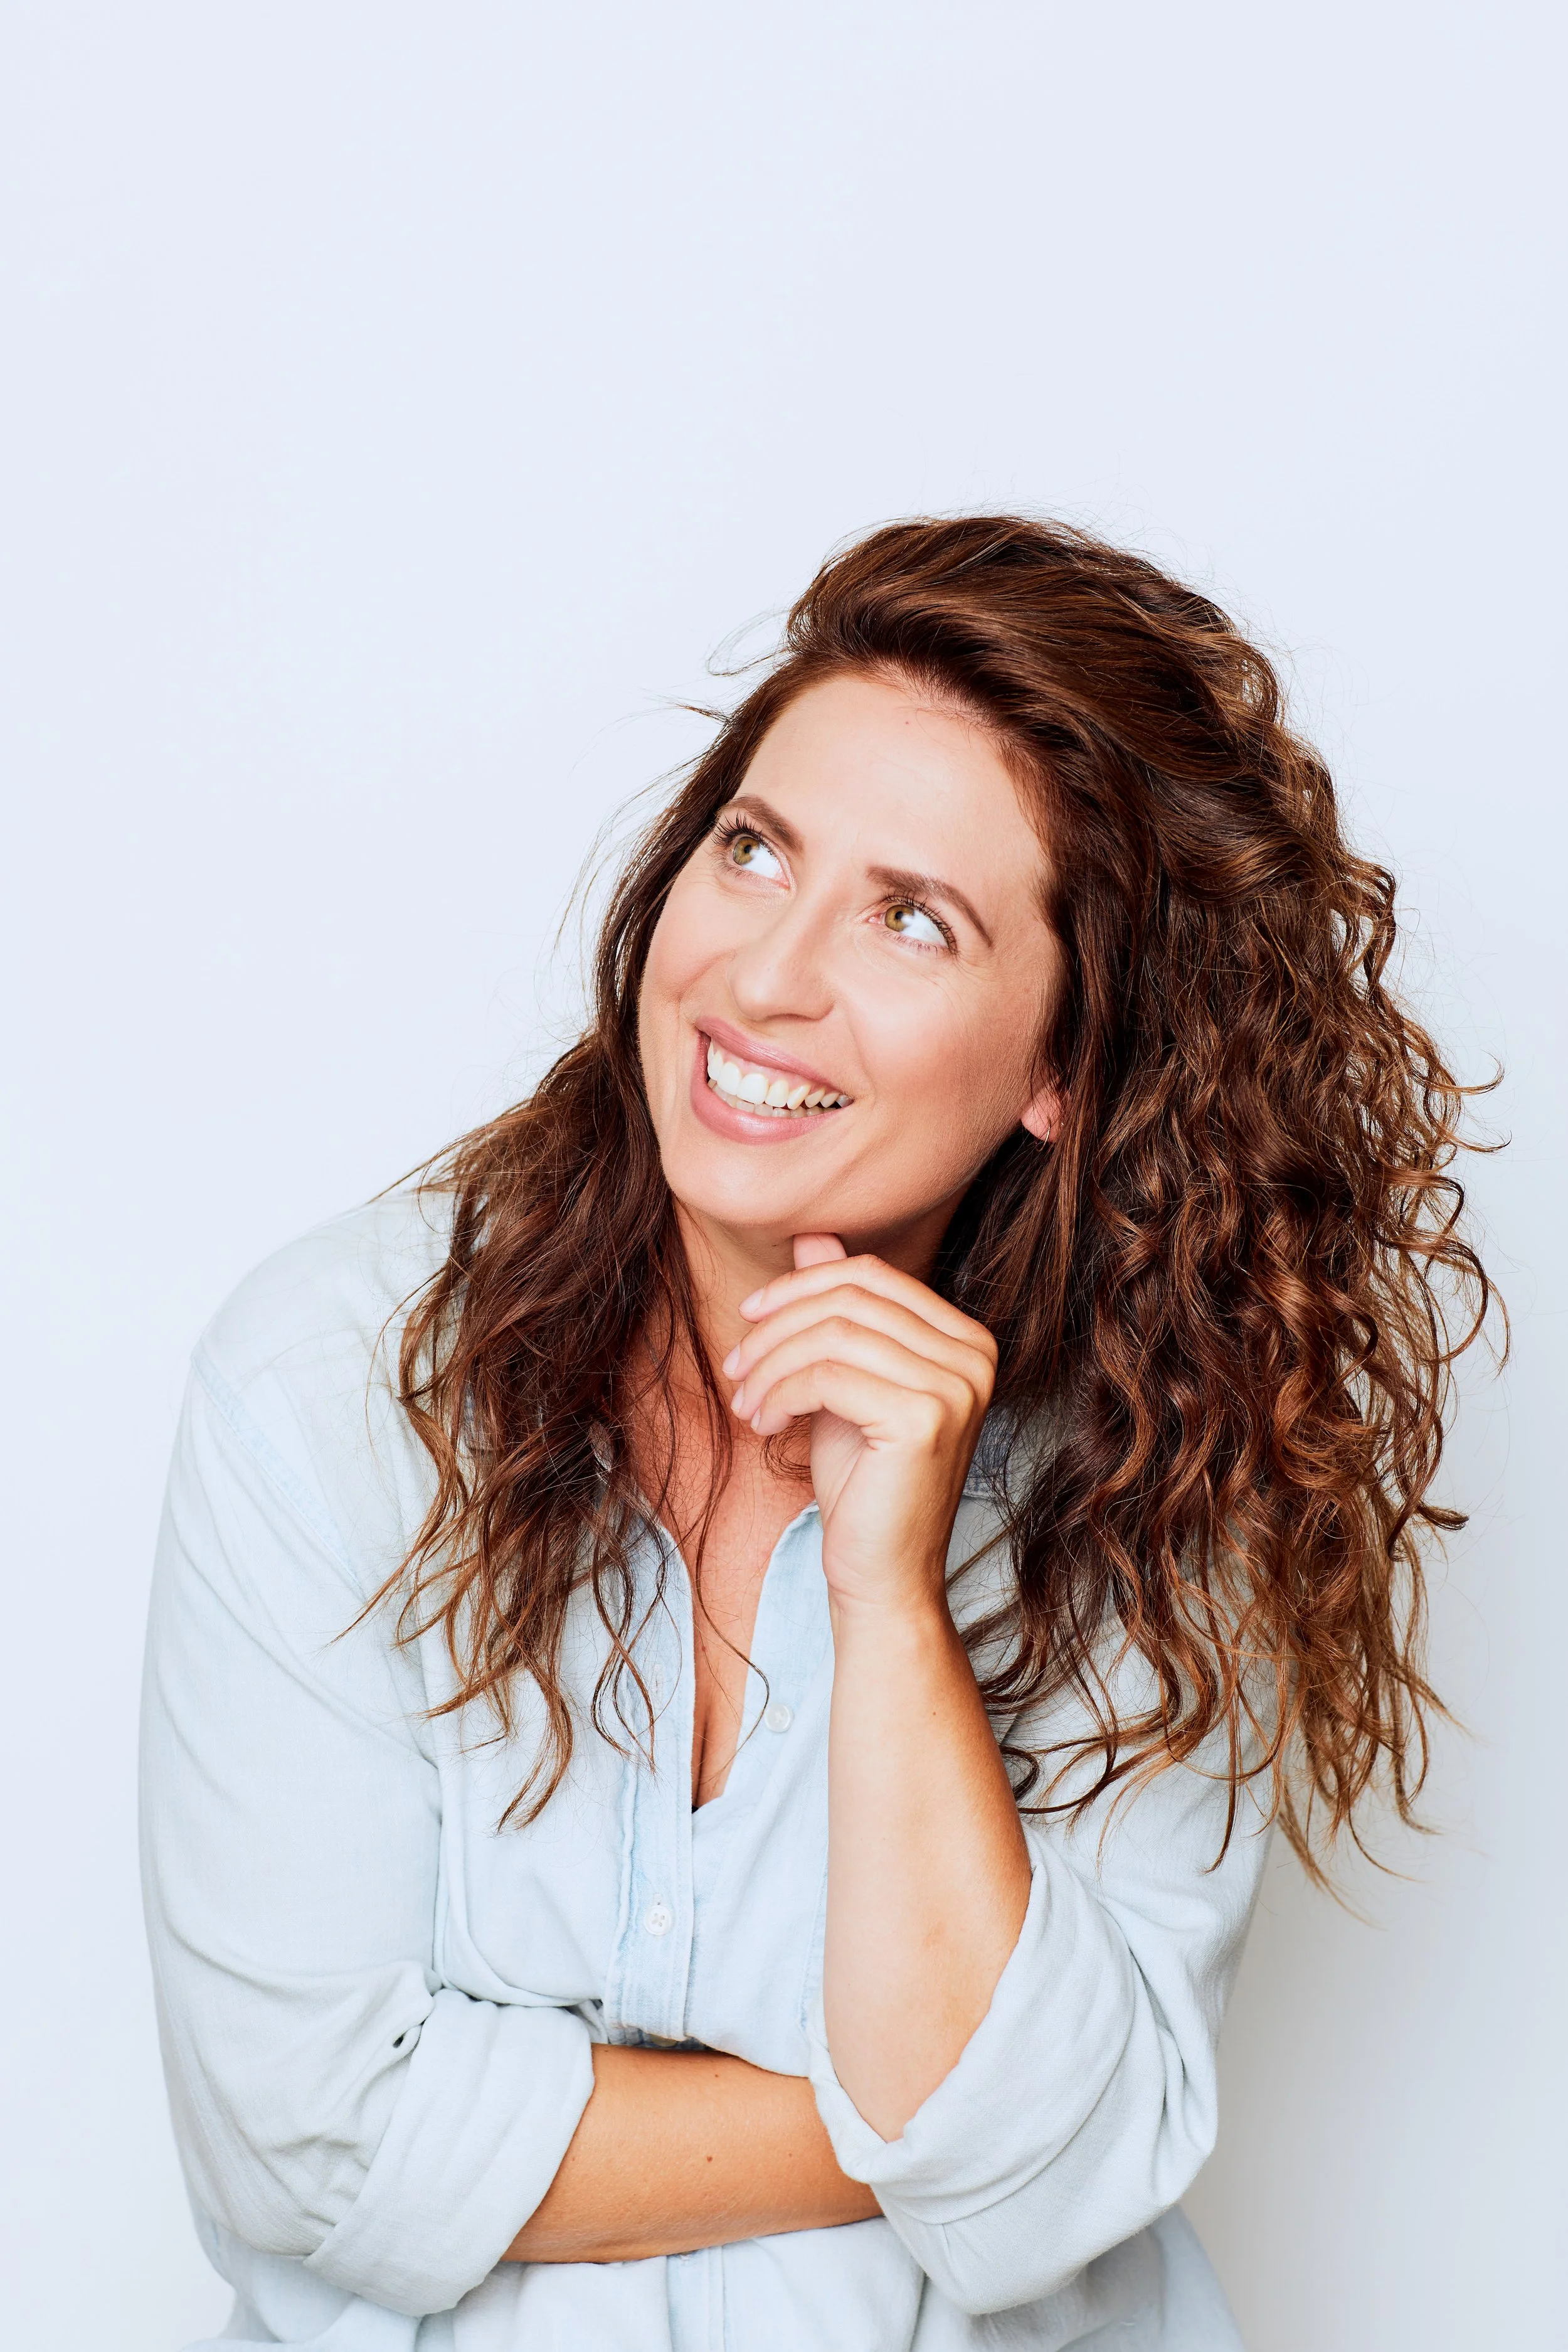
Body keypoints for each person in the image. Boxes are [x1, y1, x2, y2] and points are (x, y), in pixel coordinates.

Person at [140, 516, 1493, 2351]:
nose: (764, 976)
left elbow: (1036, 2207)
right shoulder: (328, 1386)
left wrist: (893, 1600)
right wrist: (912, 2124)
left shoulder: (1170, 1458)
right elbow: (303, 2148)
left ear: (1061, 1067)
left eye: (909, 916)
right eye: (753, 848)